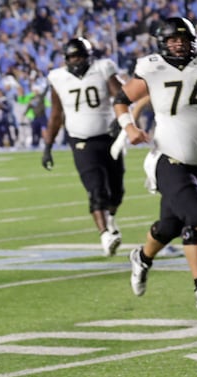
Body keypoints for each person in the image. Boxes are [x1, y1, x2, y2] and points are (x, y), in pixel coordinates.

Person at [113, 17, 197, 311]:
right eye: (172, 40)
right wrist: (129, 128)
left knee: (169, 226)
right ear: (162, 44)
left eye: (183, 39)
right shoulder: (152, 67)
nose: (178, 45)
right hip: (170, 158)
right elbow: (120, 98)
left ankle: (142, 257)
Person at [41, 37, 126, 257]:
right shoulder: (57, 78)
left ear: (88, 56)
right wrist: (48, 146)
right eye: (72, 57)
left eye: (79, 56)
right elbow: (56, 114)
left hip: (109, 137)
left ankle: (111, 219)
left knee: (116, 192)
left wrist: (121, 118)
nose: (76, 60)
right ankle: (105, 234)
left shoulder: (102, 68)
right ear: (66, 59)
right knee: (96, 189)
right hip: (80, 140)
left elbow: (121, 95)